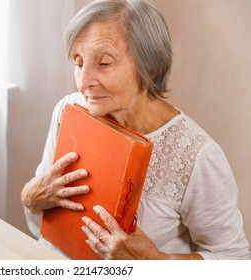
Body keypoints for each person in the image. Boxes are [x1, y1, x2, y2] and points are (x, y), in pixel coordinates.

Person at [20, 0, 250, 260]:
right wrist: (30, 198)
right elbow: (41, 215)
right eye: (78, 61)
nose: (83, 82)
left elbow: (235, 259)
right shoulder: (67, 111)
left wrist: (155, 262)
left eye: (104, 63)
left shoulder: (195, 155)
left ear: (149, 67)